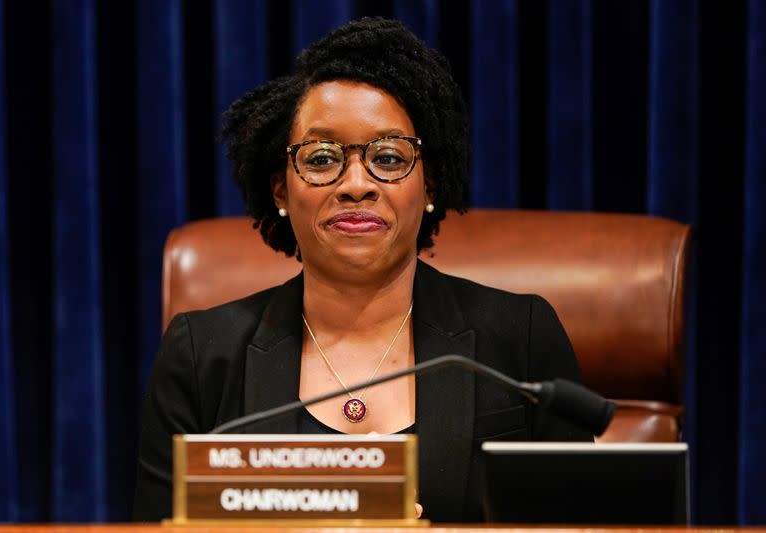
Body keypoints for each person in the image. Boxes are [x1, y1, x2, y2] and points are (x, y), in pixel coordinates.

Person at [133, 17, 592, 523]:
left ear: (431, 185)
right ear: (281, 190)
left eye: (390, 157)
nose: (356, 184)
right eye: (323, 157)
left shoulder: (519, 337)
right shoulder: (202, 356)